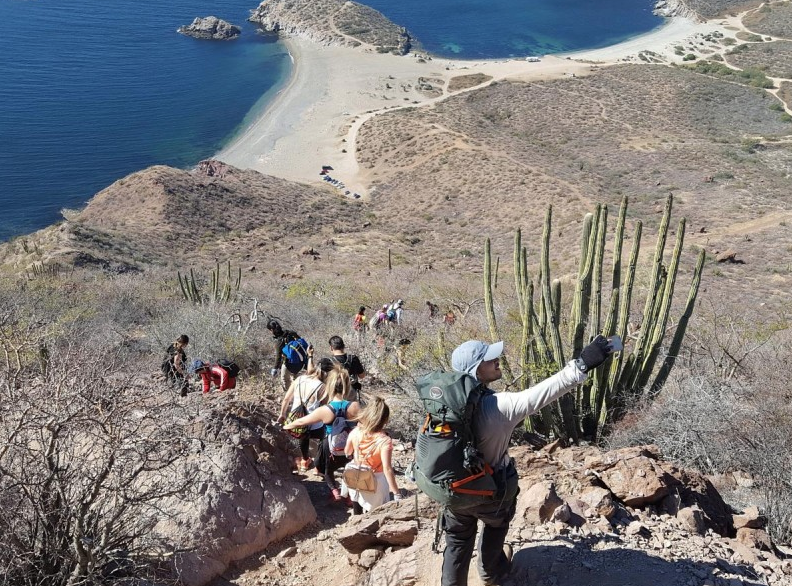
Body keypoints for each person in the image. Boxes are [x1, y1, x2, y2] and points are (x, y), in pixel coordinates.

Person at [440, 336, 614, 586]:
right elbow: (545, 392)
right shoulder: (501, 406)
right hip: (489, 491)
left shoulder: (441, 406)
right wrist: (584, 363)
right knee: (496, 525)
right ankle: (492, 572)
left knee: (457, 540)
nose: (498, 360)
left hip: (454, 490)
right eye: (491, 359)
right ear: (478, 369)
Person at [284, 365, 361, 502]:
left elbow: (302, 421)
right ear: (347, 386)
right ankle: (350, 496)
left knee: (328, 471)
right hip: (351, 445)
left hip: (331, 447)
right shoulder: (355, 406)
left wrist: (288, 425)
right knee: (350, 468)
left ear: (329, 387)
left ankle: (335, 492)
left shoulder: (326, 410)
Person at [343, 396, 401, 514]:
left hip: (357, 475)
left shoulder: (355, 432)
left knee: (357, 507)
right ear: (385, 420)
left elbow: (347, 452)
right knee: (377, 514)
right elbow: (387, 469)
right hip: (376, 480)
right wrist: (396, 493)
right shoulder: (385, 440)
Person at [278, 354, 334, 472]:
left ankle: (304, 461)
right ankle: (318, 467)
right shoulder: (323, 387)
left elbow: (286, 399)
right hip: (314, 422)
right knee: (322, 440)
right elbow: (325, 405)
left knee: (303, 437)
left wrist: (282, 414)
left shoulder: (299, 379)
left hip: (297, 419)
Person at [267, 319, 305, 392]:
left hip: (288, 362)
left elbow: (278, 356)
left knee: (284, 379)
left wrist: (275, 368)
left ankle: (291, 396)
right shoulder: (291, 333)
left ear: (271, 330)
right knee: (296, 379)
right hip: (300, 360)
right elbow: (300, 342)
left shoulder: (279, 341)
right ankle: (300, 395)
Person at [328, 335, 366, 402]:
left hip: (335, 396)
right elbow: (362, 376)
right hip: (352, 394)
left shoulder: (328, 361)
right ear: (343, 346)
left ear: (331, 348)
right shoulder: (353, 359)